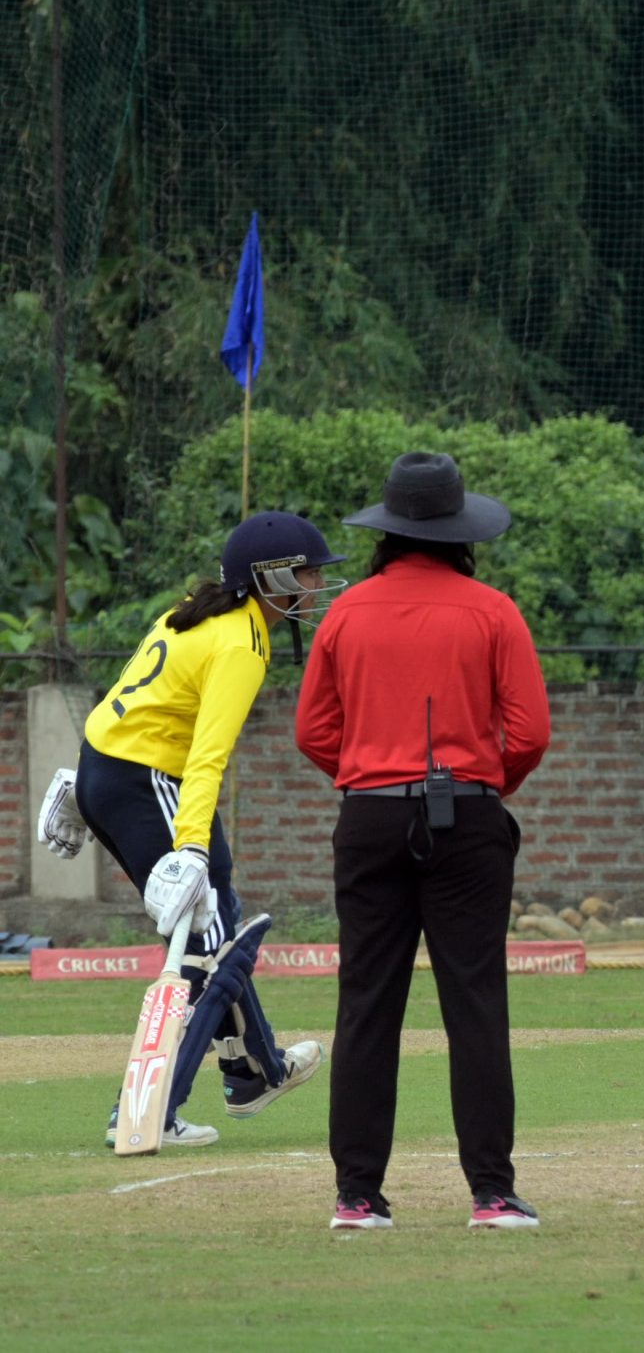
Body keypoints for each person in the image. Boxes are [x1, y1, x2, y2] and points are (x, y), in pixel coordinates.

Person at [295, 453, 550, 1231]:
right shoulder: (493, 611)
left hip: (369, 816)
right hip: (466, 816)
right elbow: (529, 733)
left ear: (387, 531)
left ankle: (356, 1195)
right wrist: (488, 786)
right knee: (474, 1002)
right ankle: (491, 1193)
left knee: (366, 1003)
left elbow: (314, 731)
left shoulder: (345, 613)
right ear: (460, 532)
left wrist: (368, 779)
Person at [55, 511, 342, 1148]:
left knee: (223, 918)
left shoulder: (198, 611)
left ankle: (255, 1071)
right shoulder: (241, 644)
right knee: (206, 947)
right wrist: (188, 847)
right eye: (308, 572)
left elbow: (133, 699)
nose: (318, 584)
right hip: (147, 780)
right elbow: (208, 757)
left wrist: (84, 783)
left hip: (114, 767)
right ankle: (150, 1109)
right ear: (271, 579)